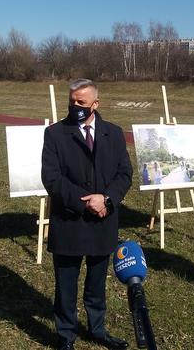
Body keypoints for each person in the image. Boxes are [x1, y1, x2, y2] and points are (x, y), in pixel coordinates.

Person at [42, 78, 133, 350]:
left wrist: (106, 199)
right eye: (71, 102)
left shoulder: (114, 133)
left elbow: (124, 173)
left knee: (96, 284)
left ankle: (97, 329)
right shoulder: (55, 133)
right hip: (69, 222)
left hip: (103, 221)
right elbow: (52, 178)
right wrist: (85, 202)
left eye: (81, 102)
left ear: (96, 103)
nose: (75, 107)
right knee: (66, 287)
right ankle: (66, 336)